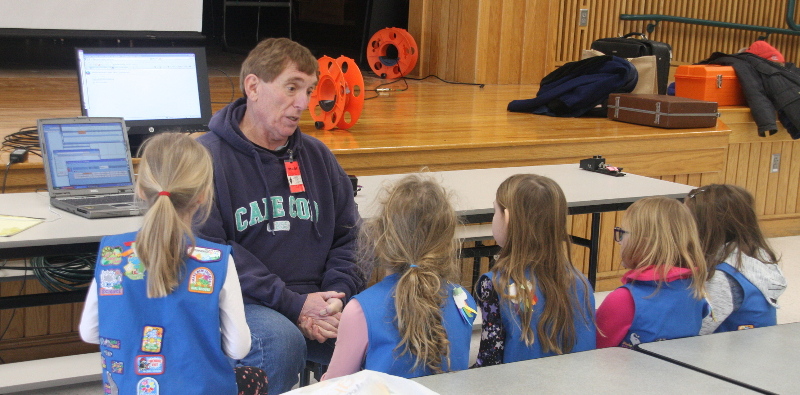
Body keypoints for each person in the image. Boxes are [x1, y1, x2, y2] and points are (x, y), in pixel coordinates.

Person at [196, 37, 364, 393]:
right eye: (291, 88)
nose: (303, 103)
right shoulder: (204, 159)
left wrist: (336, 299)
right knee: (281, 340)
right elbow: (210, 251)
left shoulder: (318, 156)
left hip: (321, 303)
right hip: (244, 305)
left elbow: (350, 235)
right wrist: (295, 306)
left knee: (383, 330)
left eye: (309, 90)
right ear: (253, 86)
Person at [79, 133, 266, 394]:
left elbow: (89, 333)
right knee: (253, 377)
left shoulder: (112, 254)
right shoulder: (216, 260)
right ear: (202, 196)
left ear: (141, 190)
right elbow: (238, 348)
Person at [322, 174, 477, 379]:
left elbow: (335, 387)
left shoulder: (360, 310)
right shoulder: (463, 300)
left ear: (381, 235)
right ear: (447, 241)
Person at [473, 174, 596, 367]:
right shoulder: (581, 282)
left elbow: (490, 360)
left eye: (495, 210)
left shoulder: (496, 284)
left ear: (506, 218)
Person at [596, 196, 709, 348]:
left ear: (644, 242)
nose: (620, 241)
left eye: (622, 233)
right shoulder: (696, 290)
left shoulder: (623, 300)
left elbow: (592, 353)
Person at [685, 184, 787, 334]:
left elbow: (696, 330)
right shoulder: (756, 253)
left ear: (707, 227)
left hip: (729, 353)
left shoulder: (721, 277)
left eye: (686, 220)